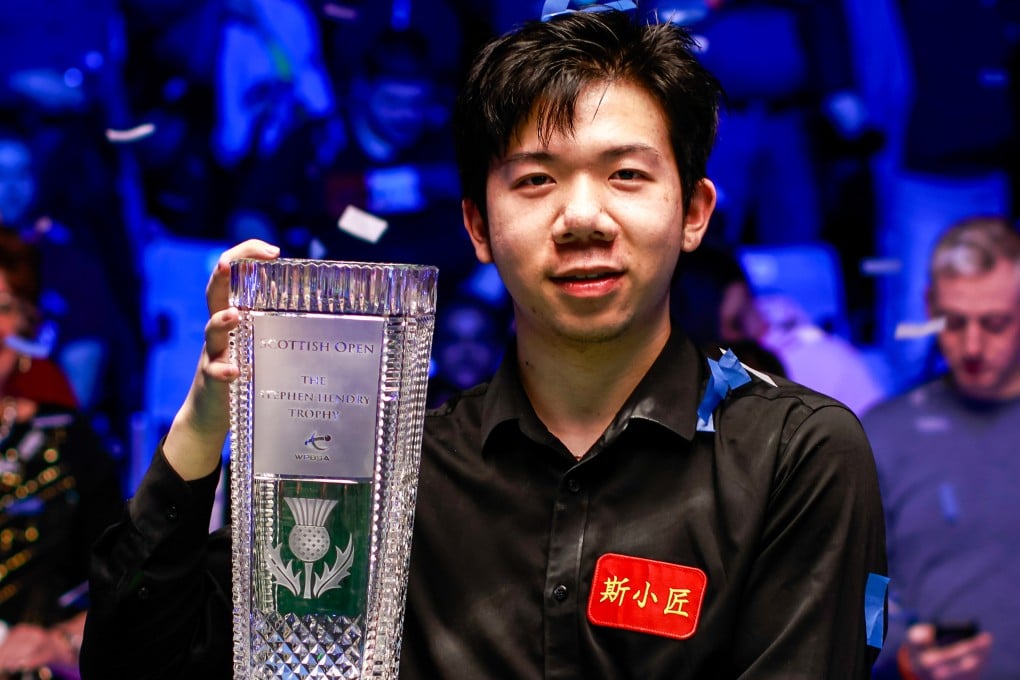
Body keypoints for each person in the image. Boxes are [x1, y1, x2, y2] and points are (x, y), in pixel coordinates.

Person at [81, 8, 887, 677]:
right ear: (477, 226)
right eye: (535, 179)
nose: (581, 218)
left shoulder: (795, 456)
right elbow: (140, 664)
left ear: (694, 212)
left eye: (627, 176)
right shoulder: (391, 474)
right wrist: (204, 420)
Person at [863, 215, 1020, 679]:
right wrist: (899, 657)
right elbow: (858, 590)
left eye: (994, 324)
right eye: (953, 323)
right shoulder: (884, 435)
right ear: (930, 306)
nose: (972, 345)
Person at [0, 231, 123, 679]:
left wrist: (60, 644)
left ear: (28, 323)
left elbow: (127, 590)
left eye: (4, 307)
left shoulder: (69, 440)